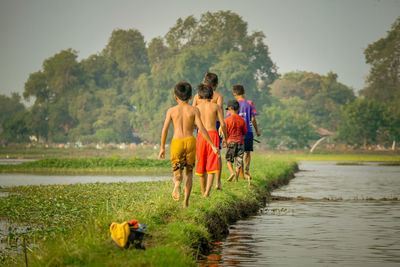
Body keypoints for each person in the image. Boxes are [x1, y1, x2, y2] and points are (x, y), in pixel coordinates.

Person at [159, 81, 219, 207]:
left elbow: (165, 129)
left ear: (175, 97)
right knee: (189, 173)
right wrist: (213, 145)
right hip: (190, 141)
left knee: (177, 170)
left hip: (177, 142)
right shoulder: (194, 110)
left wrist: (162, 148)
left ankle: (177, 182)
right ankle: (186, 201)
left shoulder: (171, 111)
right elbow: (202, 129)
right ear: (191, 96)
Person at [193, 72, 224, 190]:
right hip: (214, 126)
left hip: (201, 128)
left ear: (204, 82)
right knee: (216, 153)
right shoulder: (218, 96)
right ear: (216, 84)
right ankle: (217, 182)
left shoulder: (197, 96)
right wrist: (222, 126)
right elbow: (220, 110)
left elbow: (193, 109)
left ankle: (204, 188)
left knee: (202, 154)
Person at [231, 84, 261, 180]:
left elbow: (230, 118)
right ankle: (247, 169)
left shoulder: (233, 105)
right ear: (244, 92)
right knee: (247, 152)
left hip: (237, 133)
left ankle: (240, 176)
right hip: (248, 132)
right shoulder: (249, 103)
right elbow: (253, 119)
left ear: (234, 94)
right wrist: (256, 130)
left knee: (239, 154)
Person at [224, 100, 248, 184]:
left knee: (228, 159)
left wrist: (225, 140)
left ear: (230, 109)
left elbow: (225, 132)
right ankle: (236, 179)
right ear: (238, 108)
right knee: (239, 161)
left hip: (231, 142)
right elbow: (245, 132)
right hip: (240, 143)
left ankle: (231, 173)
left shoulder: (227, 120)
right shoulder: (242, 120)